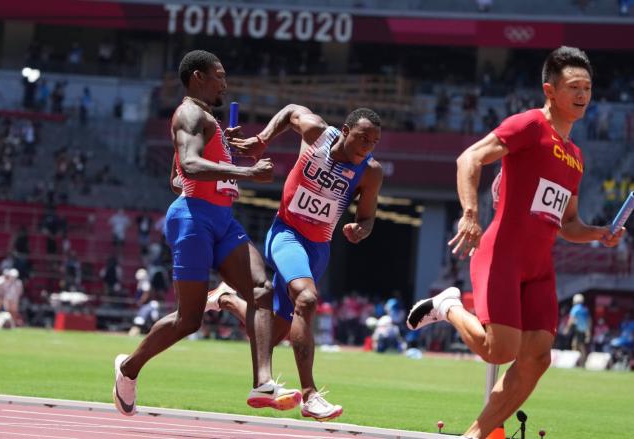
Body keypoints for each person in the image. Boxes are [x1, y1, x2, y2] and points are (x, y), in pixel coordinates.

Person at [406, 46, 625, 439]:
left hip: (540, 267)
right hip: (503, 254)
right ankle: (448, 305)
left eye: (588, 88)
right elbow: (469, 159)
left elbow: (567, 223)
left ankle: (476, 434)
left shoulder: (576, 156)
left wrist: (598, 233)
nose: (582, 95)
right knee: (500, 351)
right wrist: (470, 213)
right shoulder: (528, 126)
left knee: (537, 358)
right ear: (550, 90)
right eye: (573, 87)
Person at [113, 50, 300, 417]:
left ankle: (262, 382)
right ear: (198, 76)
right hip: (193, 219)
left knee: (263, 289)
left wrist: (225, 153)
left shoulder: (208, 121)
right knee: (189, 319)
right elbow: (190, 166)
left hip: (222, 219)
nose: (224, 83)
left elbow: (175, 178)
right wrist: (243, 172)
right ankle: (127, 369)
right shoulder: (188, 114)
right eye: (219, 75)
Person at [206, 104, 384, 421]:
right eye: (362, 138)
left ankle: (227, 299)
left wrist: (361, 230)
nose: (366, 146)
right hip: (287, 233)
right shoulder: (317, 133)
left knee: (271, 334)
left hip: (319, 248)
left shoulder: (370, 171)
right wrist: (262, 139)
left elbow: (367, 218)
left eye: (373, 142)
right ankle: (310, 395)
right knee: (307, 298)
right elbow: (290, 112)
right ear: (345, 131)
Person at [567, 293, 591, 366]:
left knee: (578, 346)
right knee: (577, 345)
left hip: (578, 330)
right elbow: (589, 320)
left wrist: (567, 329)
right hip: (584, 330)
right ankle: (580, 361)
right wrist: (588, 332)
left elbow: (571, 319)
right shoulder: (585, 309)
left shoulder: (575, 309)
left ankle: (581, 362)